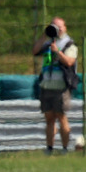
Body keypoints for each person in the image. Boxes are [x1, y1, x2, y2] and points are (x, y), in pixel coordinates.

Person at [33, 17, 78, 155]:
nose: (56, 29)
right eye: (53, 26)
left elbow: (69, 62)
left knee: (61, 116)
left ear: (64, 28)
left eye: (58, 27)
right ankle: (49, 148)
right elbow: (35, 51)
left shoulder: (69, 44)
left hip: (61, 86)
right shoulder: (47, 43)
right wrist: (45, 34)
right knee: (49, 118)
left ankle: (65, 148)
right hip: (46, 85)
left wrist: (57, 52)